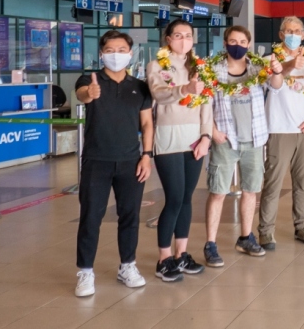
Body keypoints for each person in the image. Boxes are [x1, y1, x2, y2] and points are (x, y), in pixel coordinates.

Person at [74, 30, 153, 297]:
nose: (115, 55)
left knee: (130, 217)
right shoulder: (90, 79)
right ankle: (85, 271)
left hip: (131, 161)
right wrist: (90, 93)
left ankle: (127, 266)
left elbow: (147, 123)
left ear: (130, 54)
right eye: (110, 50)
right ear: (101, 53)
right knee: (90, 217)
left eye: (121, 50)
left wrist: (147, 155)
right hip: (97, 161)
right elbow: (82, 95)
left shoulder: (140, 86)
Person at [146, 20, 212, 282]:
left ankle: (181, 254)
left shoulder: (200, 67)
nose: (183, 40)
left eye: (188, 36)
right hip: (169, 139)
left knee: (186, 199)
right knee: (173, 199)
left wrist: (206, 136)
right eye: (178, 35)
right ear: (168, 38)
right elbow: (159, 94)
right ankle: (164, 258)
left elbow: (207, 104)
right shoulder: (157, 65)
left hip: (194, 139)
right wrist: (184, 88)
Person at [204, 26, 273, 267]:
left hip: (254, 138)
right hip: (225, 138)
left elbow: (276, 83)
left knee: (250, 190)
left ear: (249, 44)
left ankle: (245, 236)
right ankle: (210, 243)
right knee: (218, 192)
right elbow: (204, 102)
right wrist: (212, 131)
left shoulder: (257, 68)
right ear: (225, 43)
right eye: (233, 40)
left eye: (243, 41)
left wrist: (279, 67)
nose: (238, 44)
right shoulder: (213, 70)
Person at [259, 17, 304, 249]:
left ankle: (302, 225)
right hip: (279, 130)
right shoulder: (271, 60)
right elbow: (274, 83)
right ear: (281, 34)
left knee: (303, 183)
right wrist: (290, 65)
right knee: (273, 183)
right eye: (289, 31)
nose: (293, 34)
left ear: (303, 35)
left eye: (298, 31)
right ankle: (265, 231)